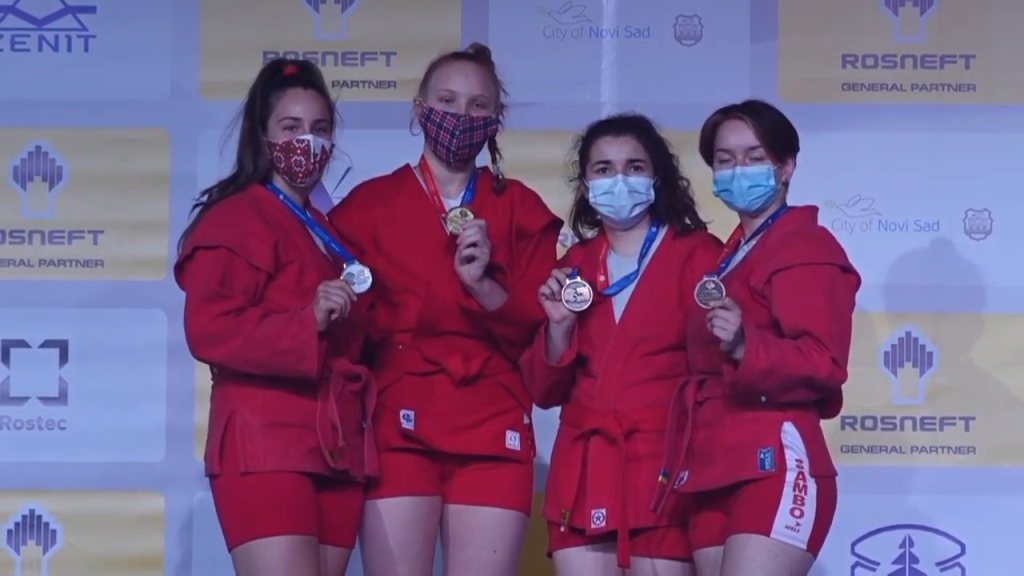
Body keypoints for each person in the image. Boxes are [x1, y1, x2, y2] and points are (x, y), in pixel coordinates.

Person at [326, 43, 562, 576]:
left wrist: (483, 287)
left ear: (495, 120)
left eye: (479, 105)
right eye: (447, 101)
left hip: (493, 415)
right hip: (398, 417)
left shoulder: (521, 208)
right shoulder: (368, 206)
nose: (461, 115)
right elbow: (346, 331)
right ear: (420, 109)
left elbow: (541, 332)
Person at [175, 59, 376, 576]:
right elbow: (209, 329)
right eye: (291, 127)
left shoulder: (330, 231)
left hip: (335, 445)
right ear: (262, 136)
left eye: (320, 129)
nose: (308, 142)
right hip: (265, 440)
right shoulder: (233, 217)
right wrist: (306, 320)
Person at [661, 99, 860, 576]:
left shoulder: (805, 246)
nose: (738, 169)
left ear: (786, 166)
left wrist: (746, 346)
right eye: (725, 159)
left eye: (754, 157)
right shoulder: (730, 254)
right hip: (711, 465)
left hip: (773, 462)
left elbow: (824, 362)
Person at [520, 113, 723, 576]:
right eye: (604, 168)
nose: (619, 179)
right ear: (586, 183)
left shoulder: (698, 254)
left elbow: (716, 375)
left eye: (634, 167)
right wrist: (559, 328)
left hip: (663, 473)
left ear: (656, 177)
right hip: (584, 468)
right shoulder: (574, 265)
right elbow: (544, 391)